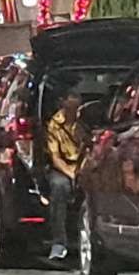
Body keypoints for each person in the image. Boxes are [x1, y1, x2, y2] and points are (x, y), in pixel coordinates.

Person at [44, 81, 86, 263]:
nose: (75, 104)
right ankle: (59, 242)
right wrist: (71, 174)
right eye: (72, 100)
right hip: (63, 167)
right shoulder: (55, 124)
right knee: (59, 187)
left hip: (85, 165)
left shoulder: (85, 122)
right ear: (63, 102)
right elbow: (55, 157)